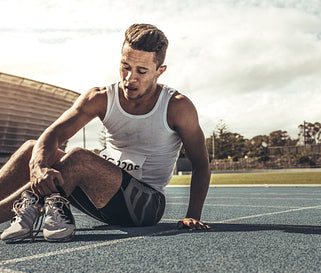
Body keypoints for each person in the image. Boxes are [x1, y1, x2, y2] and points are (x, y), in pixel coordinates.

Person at [0, 24, 211, 243]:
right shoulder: (100, 97)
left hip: (144, 205)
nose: (130, 78)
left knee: (79, 158)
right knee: (32, 149)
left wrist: (192, 215)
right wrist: (38, 167)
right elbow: (53, 134)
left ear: (160, 71)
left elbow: (201, 163)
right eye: (125, 66)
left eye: (141, 71)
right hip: (99, 194)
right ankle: (31, 204)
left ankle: (26, 208)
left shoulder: (177, 107)